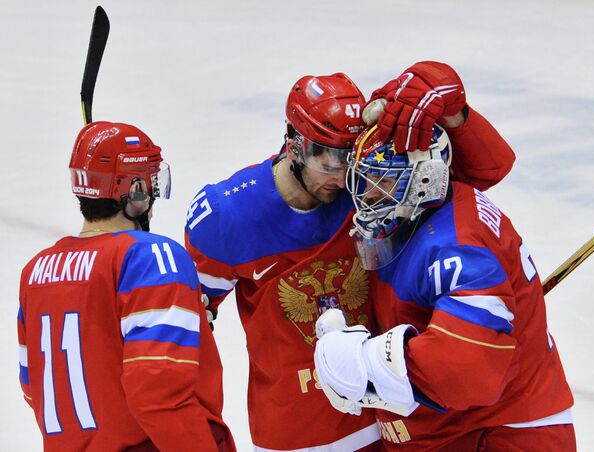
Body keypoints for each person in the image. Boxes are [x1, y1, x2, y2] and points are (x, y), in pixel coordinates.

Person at [184, 62, 516, 450]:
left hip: (393, 420)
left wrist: (455, 115)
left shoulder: (371, 189)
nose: (343, 178)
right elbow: (186, 326)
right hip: (298, 436)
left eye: (351, 159)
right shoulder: (227, 214)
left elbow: (482, 175)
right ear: (294, 143)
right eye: (329, 162)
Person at [314, 123, 576, 450]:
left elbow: (469, 370)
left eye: (383, 182)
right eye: (366, 179)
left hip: (499, 432)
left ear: (424, 180)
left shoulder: (456, 248)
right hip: (460, 427)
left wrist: (366, 366)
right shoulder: (432, 211)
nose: (366, 194)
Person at [17, 122, 235, 451]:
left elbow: (33, 387)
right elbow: (160, 396)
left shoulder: (35, 272)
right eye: (152, 182)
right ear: (135, 192)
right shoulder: (151, 257)